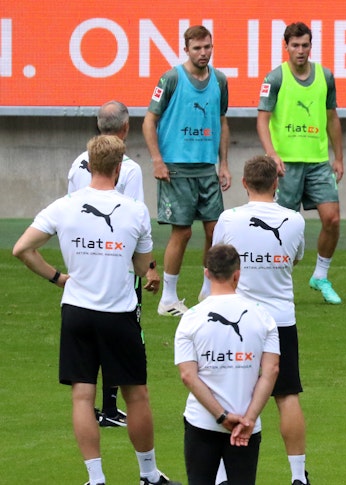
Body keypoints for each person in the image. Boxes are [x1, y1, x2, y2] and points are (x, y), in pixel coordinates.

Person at [13, 135, 178, 485]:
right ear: (119, 168)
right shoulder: (133, 211)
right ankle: (148, 475)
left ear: (88, 165)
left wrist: (58, 278)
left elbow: (22, 249)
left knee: (82, 396)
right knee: (137, 395)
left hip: (77, 312)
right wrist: (152, 275)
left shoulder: (63, 205)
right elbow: (142, 266)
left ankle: (96, 479)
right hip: (118, 315)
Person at [210, 155, 311, 485]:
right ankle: (298, 477)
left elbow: (217, 265)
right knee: (287, 396)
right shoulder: (294, 220)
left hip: (239, 317)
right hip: (280, 320)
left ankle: (224, 474)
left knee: (229, 397)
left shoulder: (229, 219)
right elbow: (295, 259)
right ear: (276, 183)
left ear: (243, 183)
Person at [68, 100, 158, 427]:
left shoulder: (78, 162)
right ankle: (109, 408)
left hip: (85, 263)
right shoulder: (128, 167)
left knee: (87, 335)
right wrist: (146, 268)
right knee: (120, 331)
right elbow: (135, 217)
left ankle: (99, 406)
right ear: (126, 127)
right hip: (118, 262)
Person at [143, 24, 231, 317]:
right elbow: (148, 121)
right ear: (186, 49)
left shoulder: (219, 80)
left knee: (214, 230)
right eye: (197, 48)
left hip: (206, 168)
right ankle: (168, 298)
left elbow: (222, 122)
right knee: (182, 232)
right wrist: (158, 160)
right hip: (176, 168)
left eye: (208, 47)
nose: (203, 53)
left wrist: (224, 164)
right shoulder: (170, 78)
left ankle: (208, 290)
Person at [175, 244, 280, 485]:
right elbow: (271, 370)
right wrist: (250, 418)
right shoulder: (262, 315)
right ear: (238, 274)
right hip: (246, 425)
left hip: (201, 421)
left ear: (207, 273)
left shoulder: (191, 318)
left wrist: (221, 416)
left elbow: (188, 376)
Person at [257, 21, 344, 305]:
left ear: (311, 45)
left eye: (305, 45)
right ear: (286, 47)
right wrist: (272, 153)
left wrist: (339, 157)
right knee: (282, 227)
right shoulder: (275, 78)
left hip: (318, 162)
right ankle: (274, 285)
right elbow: (262, 118)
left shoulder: (325, 76)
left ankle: (320, 275)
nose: (300, 50)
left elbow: (332, 117)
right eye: (295, 45)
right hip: (287, 165)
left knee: (332, 218)